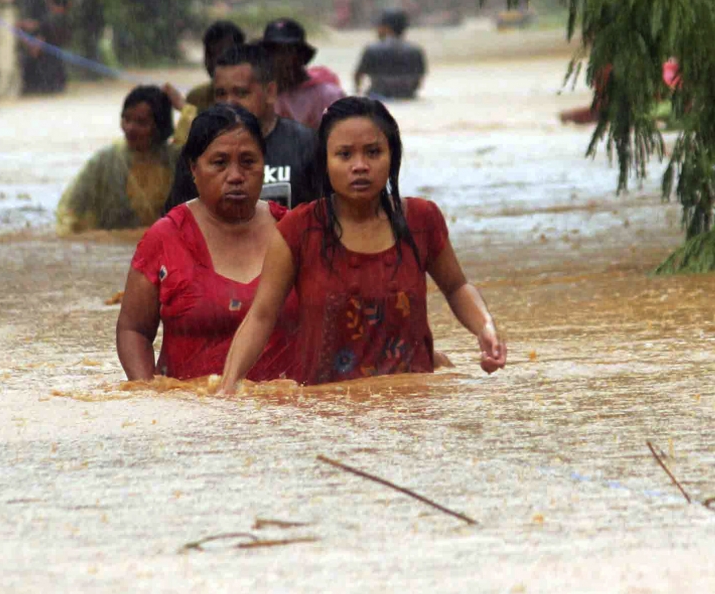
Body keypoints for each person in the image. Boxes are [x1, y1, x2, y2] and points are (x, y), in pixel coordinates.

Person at [220, 97, 507, 391]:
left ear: (392, 156)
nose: (360, 166)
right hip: (326, 411)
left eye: (373, 152)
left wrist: (485, 328)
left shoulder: (422, 220)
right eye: (344, 155)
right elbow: (261, 315)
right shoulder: (298, 230)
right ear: (325, 162)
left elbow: (457, 287)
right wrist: (228, 386)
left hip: (414, 407)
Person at [117, 105, 300, 382]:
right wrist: (145, 393)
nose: (236, 176)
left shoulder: (293, 233)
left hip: (281, 415)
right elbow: (134, 330)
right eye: (219, 163)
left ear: (265, 165)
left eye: (248, 162)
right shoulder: (165, 238)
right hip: (189, 414)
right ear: (194, 168)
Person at [164, 43, 316, 211]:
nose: (229, 103)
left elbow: (324, 221)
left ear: (270, 92)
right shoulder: (198, 150)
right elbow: (178, 223)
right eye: (221, 94)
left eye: (241, 93)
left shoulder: (306, 145)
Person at [55, 86, 180, 234]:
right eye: (126, 119)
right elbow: (71, 211)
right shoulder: (105, 161)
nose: (130, 128)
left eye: (141, 122)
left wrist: (185, 108)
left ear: (160, 126)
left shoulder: (176, 160)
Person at [260, 18, 344, 132]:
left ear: (301, 56)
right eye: (273, 52)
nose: (279, 60)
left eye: (287, 52)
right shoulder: (259, 96)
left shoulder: (329, 96)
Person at [353, 9, 427, 100]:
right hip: (407, 96)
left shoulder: (371, 49)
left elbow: (358, 76)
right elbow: (418, 81)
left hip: (378, 96)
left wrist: (357, 91)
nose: (377, 29)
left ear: (386, 28)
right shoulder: (416, 51)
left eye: (379, 26)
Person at [184, 20, 247, 112]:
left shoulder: (254, 98)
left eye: (223, 54)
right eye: (210, 54)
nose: (215, 62)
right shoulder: (195, 98)